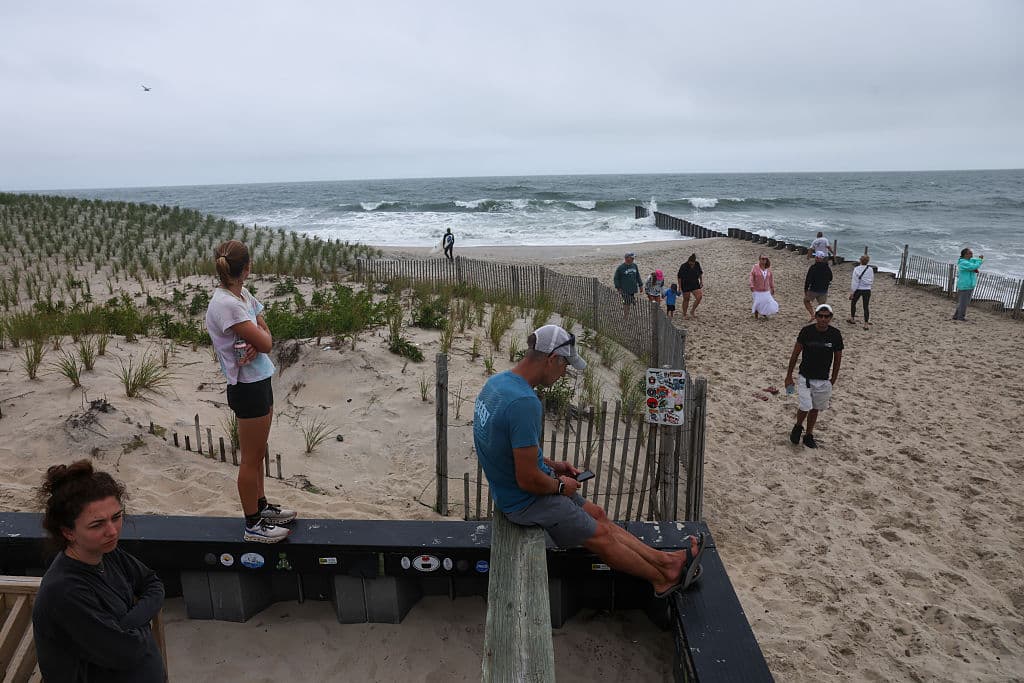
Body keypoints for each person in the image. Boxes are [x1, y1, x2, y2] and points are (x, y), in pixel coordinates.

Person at [473, 325, 707, 597]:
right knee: (600, 537)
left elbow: (504, 448)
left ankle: (665, 561)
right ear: (552, 359)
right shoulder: (524, 403)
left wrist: (552, 465)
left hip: (515, 489)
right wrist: (561, 486)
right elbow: (527, 478)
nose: (564, 374)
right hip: (524, 501)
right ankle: (662, 578)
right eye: (565, 366)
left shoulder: (497, 384)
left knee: (597, 514)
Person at [32, 460, 166, 682]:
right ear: (68, 532)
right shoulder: (65, 591)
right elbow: (125, 652)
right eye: (97, 525)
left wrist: (127, 624)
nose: (112, 531)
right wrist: (144, 621)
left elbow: (153, 584)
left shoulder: (105, 552)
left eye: (116, 517)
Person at [206, 240, 295, 543]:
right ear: (246, 267)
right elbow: (268, 342)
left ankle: (261, 506)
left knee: (257, 455)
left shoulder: (240, 293)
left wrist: (260, 337)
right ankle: (253, 524)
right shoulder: (226, 304)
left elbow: (264, 329)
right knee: (249, 458)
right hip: (246, 387)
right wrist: (260, 339)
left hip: (259, 380)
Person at [784, 304, 844, 449]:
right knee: (805, 405)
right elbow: (795, 354)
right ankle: (798, 426)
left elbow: (838, 359)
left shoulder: (835, 335)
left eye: (826, 316)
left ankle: (809, 434)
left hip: (823, 379)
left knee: (815, 408)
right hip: (805, 377)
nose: (823, 319)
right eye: (820, 316)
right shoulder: (806, 332)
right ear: (816, 316)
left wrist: (833, 379)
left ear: (831, 318)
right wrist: (789, 375)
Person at [951, 247, 984, 321]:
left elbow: (976, 260)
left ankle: (956, 316)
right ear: (965, 255)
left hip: (969, 285)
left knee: (963, 302)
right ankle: (960, 317)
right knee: (963, 303)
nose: (972, 254)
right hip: (965, 285)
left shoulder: (968, 260)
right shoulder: (963, 263)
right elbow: (974, 266)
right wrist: (980, 260)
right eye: (970, 253)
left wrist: (979, 259)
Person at [803, 251, 833, 320]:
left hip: (814, 289)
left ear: (817, 258)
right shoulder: (827, 267)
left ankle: (813, 315)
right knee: (821, 306)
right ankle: (819, 317)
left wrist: (806, 289)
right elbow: (831, 278)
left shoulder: (813, 267)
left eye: (815, 257)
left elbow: (808, 279)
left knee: (806, 301)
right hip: (824, 290)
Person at [847, 255, 875, 328]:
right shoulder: (870, 269)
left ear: (860, 260)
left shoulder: (856, 269)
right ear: (868, 261)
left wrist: (852, 292)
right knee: (865, 306)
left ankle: (852, 318)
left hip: (858, 289)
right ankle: (866, 324)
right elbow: (871, 280)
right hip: (867, 289)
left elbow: (855, 282)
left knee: (853, 303)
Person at [613, 252, 643, 318]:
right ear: (626, 258)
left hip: (632, 288)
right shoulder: (621, 268)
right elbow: (616, 278)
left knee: (630, 298)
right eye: (631, 258)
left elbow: (637, 276)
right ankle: (626, 315)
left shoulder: (634, 266)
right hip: (624, 289)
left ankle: (632, 299)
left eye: (633, 258)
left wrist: (640, 285)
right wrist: (618, 288)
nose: (633, 259)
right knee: (626, 302)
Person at [749, 254, 779, 319]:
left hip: (766, 290)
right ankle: (756, 316)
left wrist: (772, 287)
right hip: (757, 289)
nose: (764, 260)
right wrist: (751, 285)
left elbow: (771, 279)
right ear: (759, 259)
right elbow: (751, 276)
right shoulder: (755, 267)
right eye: (762, 259)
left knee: (767, 302)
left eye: (765, 259)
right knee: (758, 302)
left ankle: (764, 313)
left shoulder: (768, 269)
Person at [676, 253, 704, 319]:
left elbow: (700, 273)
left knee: (699, 296)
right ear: (688, 261)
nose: (692, 264)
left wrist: (701, 281)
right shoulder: (683, 266)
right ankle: (684, 314)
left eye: (693, 263)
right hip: (685, 284)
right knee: (686, 299)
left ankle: (692, 311)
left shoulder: (697, 264)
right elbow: (679, 277)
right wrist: (679, 287)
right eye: (691, 263)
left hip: (695, 283)